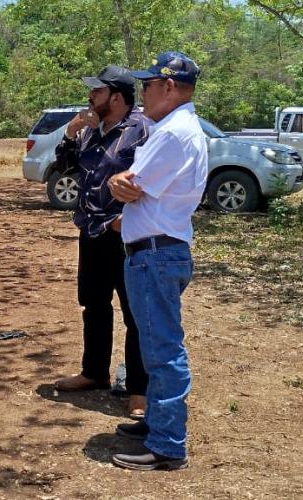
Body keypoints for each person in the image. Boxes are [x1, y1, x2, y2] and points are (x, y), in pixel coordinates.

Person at [107, 51, 208, 471]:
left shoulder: (173, 133)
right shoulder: (178, 128)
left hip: (155, 254)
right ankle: (156, 422)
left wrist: (117, 182)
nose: (142, 93)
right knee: (154, 346)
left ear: (168, 87)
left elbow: (129, 185)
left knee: (163, 350)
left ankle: (167, 445)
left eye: (148, 85)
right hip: (160, 249)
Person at [53, 65, 150, 420]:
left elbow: (156, 180)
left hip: (125, 236)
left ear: (117, 97)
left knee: (135, 313)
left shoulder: (142, 130)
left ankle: (139, 390)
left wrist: (132, 217)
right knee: (93, 305)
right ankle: (94, 373)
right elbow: (65, 166)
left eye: (97, 91)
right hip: (91, 232)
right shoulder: (92, 131)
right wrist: (70, 132)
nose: (91, 96)